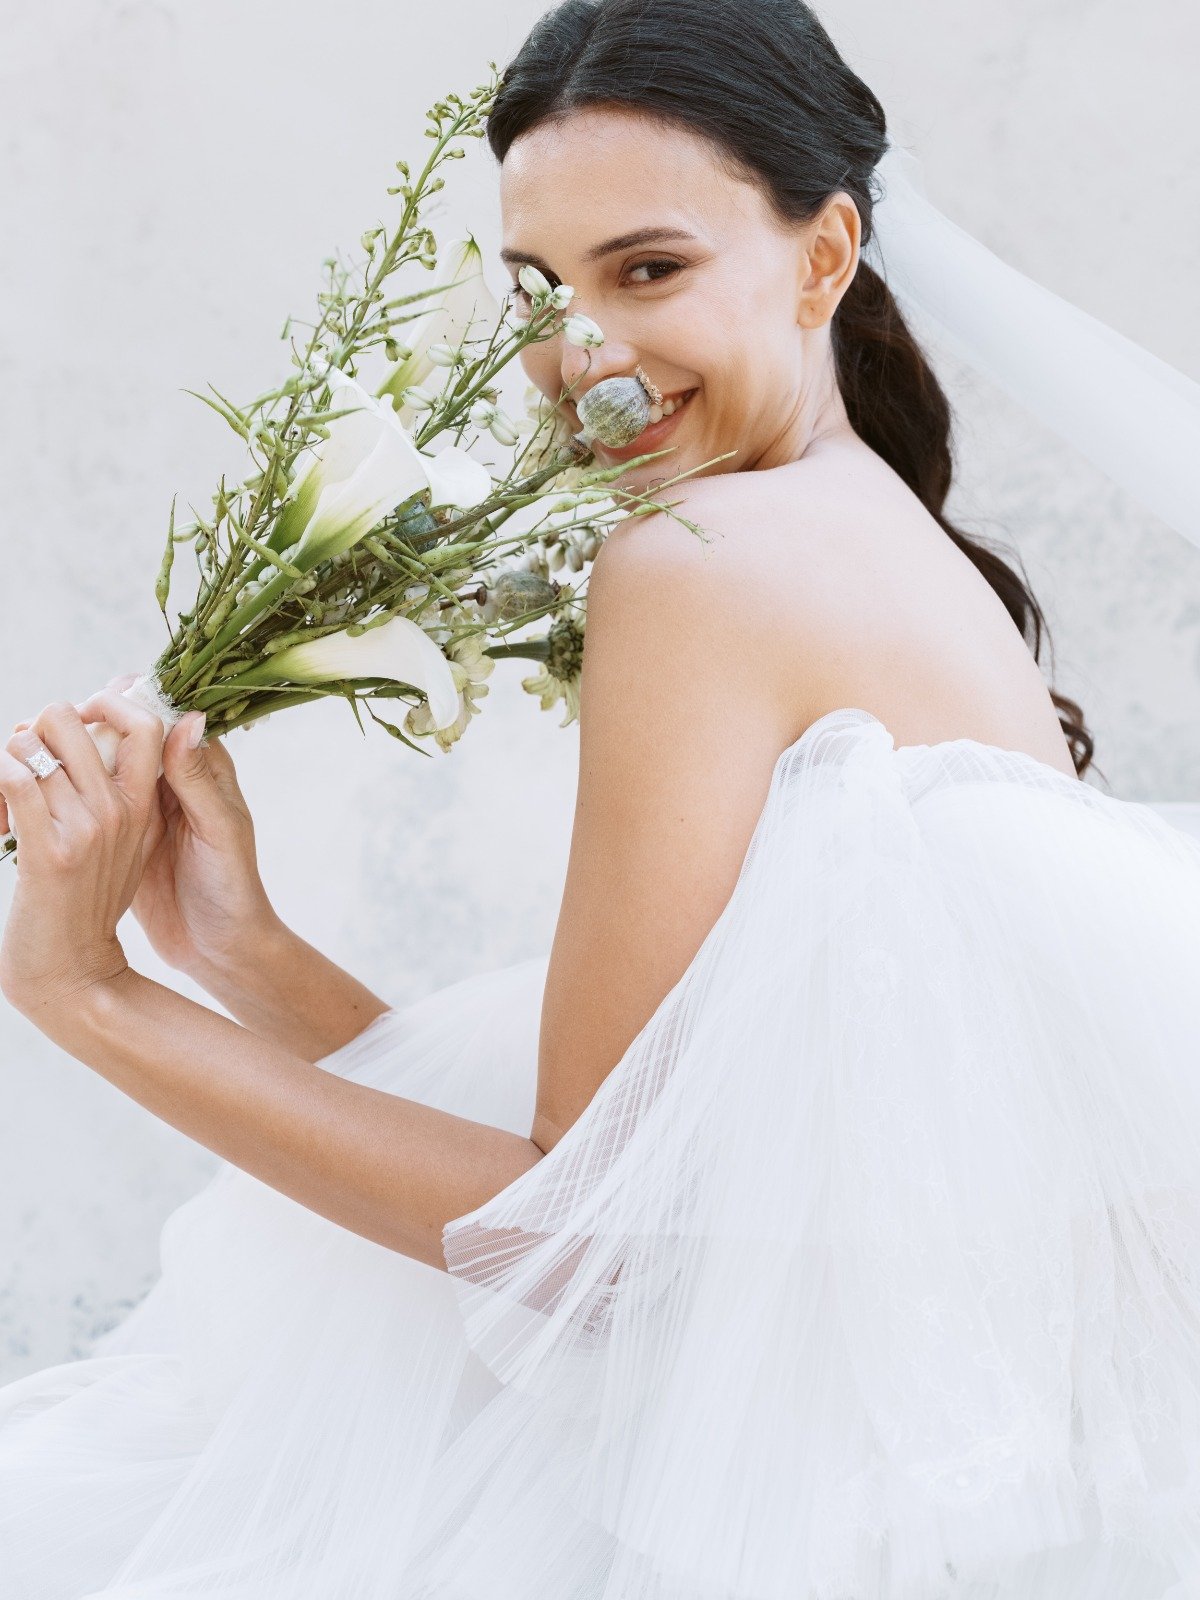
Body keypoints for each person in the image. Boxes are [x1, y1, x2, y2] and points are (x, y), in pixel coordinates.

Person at [2, 0, 1200, 1594]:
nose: (582, 356)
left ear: (823, 256)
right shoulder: (867, 537)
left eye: (648, 270)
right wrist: (241, 956)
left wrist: (82, 994)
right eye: (539, 291)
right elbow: (675, 1160)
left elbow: (577, 1250)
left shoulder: (702, 569)